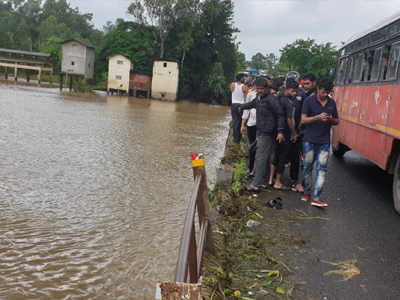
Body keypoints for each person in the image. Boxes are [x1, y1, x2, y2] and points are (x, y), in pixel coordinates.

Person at [239, 78, 285, 191]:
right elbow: (252, 104)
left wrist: (280, 131)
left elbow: (280, 115)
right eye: (257, 89)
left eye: (261, 89)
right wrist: (241, 107)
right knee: (254, 151)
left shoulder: (271, 100)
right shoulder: (259, 98)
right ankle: (262, 180)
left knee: (260, 157)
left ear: (266, 89)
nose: (259, 91)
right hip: (260, 131)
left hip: (268, 132)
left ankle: (256, 183)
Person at [301, 77, 339, 207]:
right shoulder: (308, 101)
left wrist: (329, 119)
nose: (324, 95)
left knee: (321, 169)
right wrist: (317, 117)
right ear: (318, 89)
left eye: (327, 93)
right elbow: (303, 120)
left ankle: (317, 197)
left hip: (324, 142)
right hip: (309, 141)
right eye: (323, 92)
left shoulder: (332, 103)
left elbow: (337, 121)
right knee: (307, 168)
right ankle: (306, 192)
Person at [288, 73, 317, 192]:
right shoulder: (298, 95)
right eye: (304, 83)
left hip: (310, 132)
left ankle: (304, 183)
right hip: (298, 131)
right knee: (295, 156)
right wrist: (294, 131)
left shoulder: (317, 97)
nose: (305, 86)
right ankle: (294, 180)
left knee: (307, 159)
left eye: (308, 84)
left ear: (314, 83)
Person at [269, 78, 299, 190]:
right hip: (285, 132)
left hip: (275, 130)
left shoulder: (276, 97)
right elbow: (289, 120)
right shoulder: (288, 102)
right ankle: (278, 182)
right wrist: (294, 133)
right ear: (290, 89)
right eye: (294, 91)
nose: (295, 94)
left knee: (274, 154)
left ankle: (270, 179)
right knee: (283, 156)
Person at [241, 81, 257, 176]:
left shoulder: (268, 96)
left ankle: (255, 169)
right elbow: (246, 110)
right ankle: (250, 168)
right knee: (251, 147)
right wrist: (243, 124)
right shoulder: (251, 95)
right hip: (251, 124)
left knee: (259, 148)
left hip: (262, 126)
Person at [231, 74, 248, 143]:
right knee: (240, 122)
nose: (245, 79)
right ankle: (238, 139)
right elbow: (246, 96)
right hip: (240, 105)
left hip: (233, 104)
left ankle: (235, 139)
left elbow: (232, 91)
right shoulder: (244, 86)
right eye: (244, 78)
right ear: (241, 79)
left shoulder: (232, 84)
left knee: (235, 121)